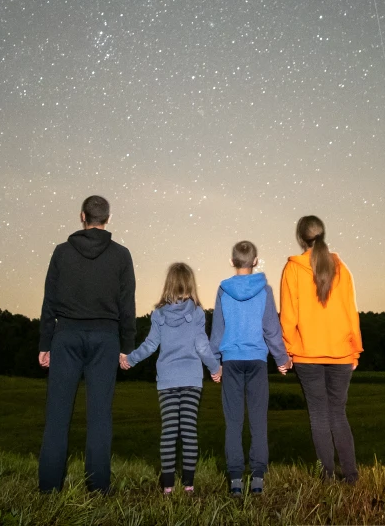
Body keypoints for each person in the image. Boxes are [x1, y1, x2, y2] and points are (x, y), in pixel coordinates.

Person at [37, 195, 136, 493]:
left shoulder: (62, 253)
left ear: (82, 216)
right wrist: (127, 346)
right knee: (100, 415)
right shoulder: (121, 255)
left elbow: (49, 301)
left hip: (65, 337)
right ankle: (98, 489)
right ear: (107, 219)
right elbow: (126, 304)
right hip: (106, 340)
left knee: (57, 414)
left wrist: (45, 342)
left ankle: (49, 490)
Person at [119, 263, 220, 495]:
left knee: (169, 430)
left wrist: (130, 359)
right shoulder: (196, 313)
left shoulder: (159, 314)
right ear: (190, 284)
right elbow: (203, 347)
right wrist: (215, 368)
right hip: (192, 379)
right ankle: (188, 485)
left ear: (169, 284)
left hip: (167, 381)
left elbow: (151, 345)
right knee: (189, 429)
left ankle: (167, 486)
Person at [279, 215, 363, 484]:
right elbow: (351, 312)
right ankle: (351, 476)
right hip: (340, 353)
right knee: (338, 413)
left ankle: (325, 478)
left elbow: (288, 317)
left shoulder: (292, 269)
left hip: (306, 354)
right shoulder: (342, 269)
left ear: (300, 238)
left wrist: (289, 350)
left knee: (318, 415)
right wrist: (354, 350)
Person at [209, 241, 291, 497]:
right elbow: (271, 329)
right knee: (258, 421)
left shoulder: (223, 289)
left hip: (231, 361)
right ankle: (257, 479)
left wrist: (215, 363)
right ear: (255, 261)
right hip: (256, 361)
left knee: (233, 422)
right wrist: (282, 359)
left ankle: (235, 480)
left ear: (232, 261)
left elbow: (217, 330)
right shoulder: (264, 290)